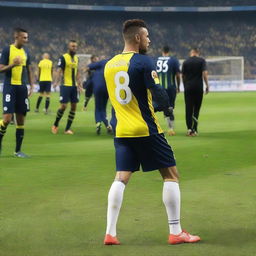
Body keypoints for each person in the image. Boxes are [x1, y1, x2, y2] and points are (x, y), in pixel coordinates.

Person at [103, 19, 200, 245]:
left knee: (121, 177)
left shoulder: (109, 65)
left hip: (122, 131)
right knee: (171, 175)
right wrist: (165, 106)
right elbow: (159, 93)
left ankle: (110, 233)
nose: (149, 40)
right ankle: (175, 231)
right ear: (137, 38)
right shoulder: (144, 62)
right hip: (146, 129)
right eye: (147, 36)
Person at [0, 27, 34, 158]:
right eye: (24, 37)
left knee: (20, 120)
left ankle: (18, 151)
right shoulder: (7, 50)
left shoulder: (26, 52)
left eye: (27, 37)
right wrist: (12, 65)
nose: (26, 40)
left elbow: (29, 70)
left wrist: (31, 86)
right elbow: (1, 69)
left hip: (22, 88)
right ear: (17, 37)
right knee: (7, 119)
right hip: (10, 87)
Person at [51, 40, 82, 135]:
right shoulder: (63, 57)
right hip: (65, 85)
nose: (74, 48)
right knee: (63, 106)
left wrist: (79, 84)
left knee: (73, 107)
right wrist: (56, 82)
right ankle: (55, 125)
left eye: (75, 46)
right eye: (72, 46)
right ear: (69, 47)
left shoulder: (77, 58)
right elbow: (59, 70)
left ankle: (67, 129)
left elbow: (77, 72)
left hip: (74, 86)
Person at [182, 48, 209, 136]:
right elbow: (204, 73)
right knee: (196, 109)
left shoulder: (186, 62)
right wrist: (207, 85)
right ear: (198, 53)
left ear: (191, 53)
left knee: (188, 109)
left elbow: (183, 76)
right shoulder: (202, 61)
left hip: (188, 88)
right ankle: (195, 129)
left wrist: (185, 85)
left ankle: (189, 129)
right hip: (198, 87)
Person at [156, 45, 180, 135]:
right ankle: (171, 129)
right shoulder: (173, 60)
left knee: (162, 107)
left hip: (159, 88)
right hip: (171, 88)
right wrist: (178, 85)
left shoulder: (156, 60)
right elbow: (178, 75)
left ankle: (159, 128)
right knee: (170, 108)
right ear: (169, 51)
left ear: (162, 51)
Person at [86, 57, 112, 135]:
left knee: (98, 108)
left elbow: (88, 86)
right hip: (107, 88)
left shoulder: (95, 72)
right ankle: (107, 125)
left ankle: (98, 124)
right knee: (103, 108)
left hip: (98, 89)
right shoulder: (108, 66)